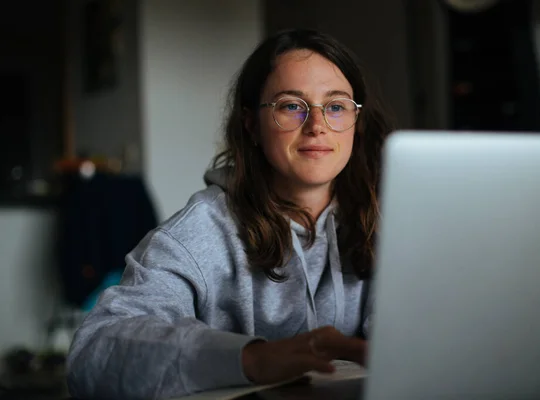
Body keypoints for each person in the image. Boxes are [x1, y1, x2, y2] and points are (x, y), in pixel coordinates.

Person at [66, 28, 394, 400]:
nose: (317, 125)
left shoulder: (393, 221)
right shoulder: (199, 231)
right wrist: (253, 358)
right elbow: (92, 353)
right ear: (251, 124)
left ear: (357, 122)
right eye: (291, 105)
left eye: (335, 106)